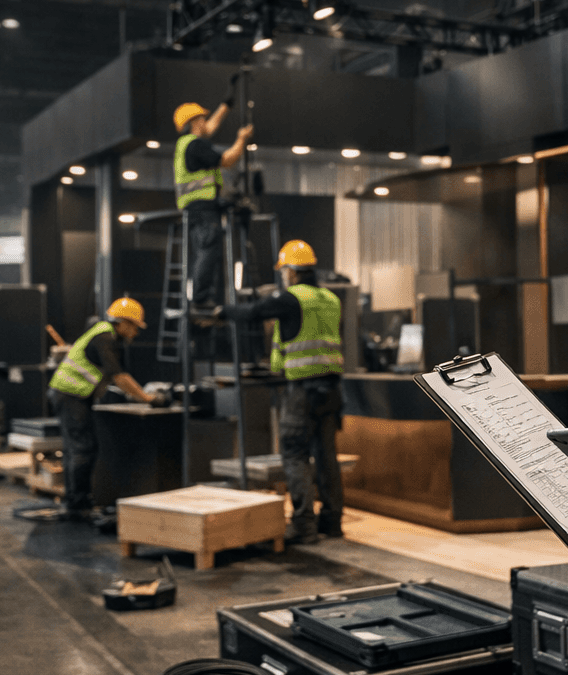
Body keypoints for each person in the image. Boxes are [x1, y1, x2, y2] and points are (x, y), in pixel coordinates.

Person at [224, 239, 345, 544]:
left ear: (291, 271)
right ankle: (332, 523)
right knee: (327, 456)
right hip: (331, 389)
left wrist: (219, 311)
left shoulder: (291, 299)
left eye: (284, 271)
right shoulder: (331, 299)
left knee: (295, 454)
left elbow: (253, 312)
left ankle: (303, 526)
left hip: (302, 390)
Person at [46, 298, 167, 522]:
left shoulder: (104, 333)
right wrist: (148, 398)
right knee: (82, 450)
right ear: (123, 322)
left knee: (77, 450)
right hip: (71, 396)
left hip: (71, 396)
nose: (136, 332)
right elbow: (118, 376)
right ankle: (77, 506)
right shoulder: (105, 337)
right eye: (135, 326)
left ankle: (76, 502)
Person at [173, 90, 255, 310]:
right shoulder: (195, 145)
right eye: (201, 119)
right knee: (208, 251)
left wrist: (225, 105)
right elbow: (226, 160)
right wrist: (242, 140)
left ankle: (201, 297)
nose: (205, 123)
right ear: (193, 123)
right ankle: (200, 299)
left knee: (206, 251)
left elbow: (211, 127)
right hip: (203, 207)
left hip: (195, 208)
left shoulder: (186, 145)